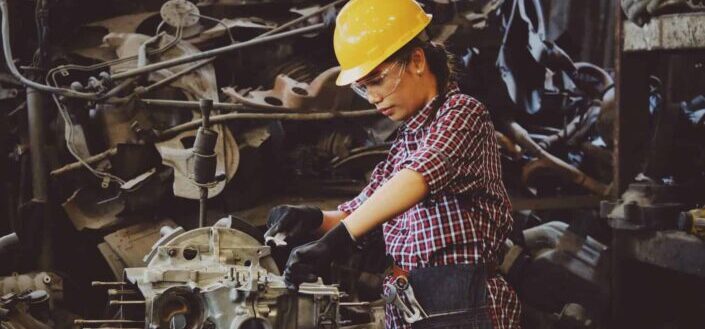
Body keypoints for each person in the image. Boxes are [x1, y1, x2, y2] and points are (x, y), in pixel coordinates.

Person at [264, 0, 520, 328]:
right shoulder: (404, 142)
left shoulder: (463, 114)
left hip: (462, 302)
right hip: (408, 299)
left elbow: (418, 178)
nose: (372, 97)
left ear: (416, 60)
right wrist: (311, 218)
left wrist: (337, 240)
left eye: (377, 80)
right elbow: (361, 211)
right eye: (363, 86)